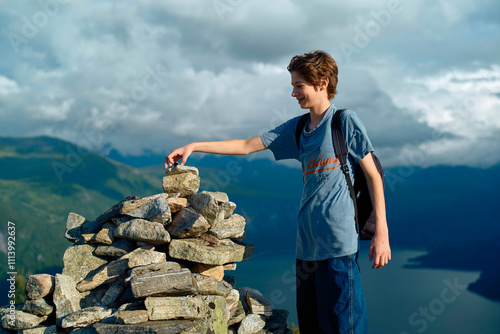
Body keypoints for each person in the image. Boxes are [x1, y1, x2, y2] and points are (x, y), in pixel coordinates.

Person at [165, 50, 391, 333]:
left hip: (339, 246)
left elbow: (373, 175)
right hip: (306, 248)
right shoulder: (298, 129)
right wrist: (195, 146)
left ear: (322, 83)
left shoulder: (343, 122)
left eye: (299, 85)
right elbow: (248, 145)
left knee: (345, 327)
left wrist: (381, 233)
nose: (294, 93)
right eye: (293, 86)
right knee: (313, 327)